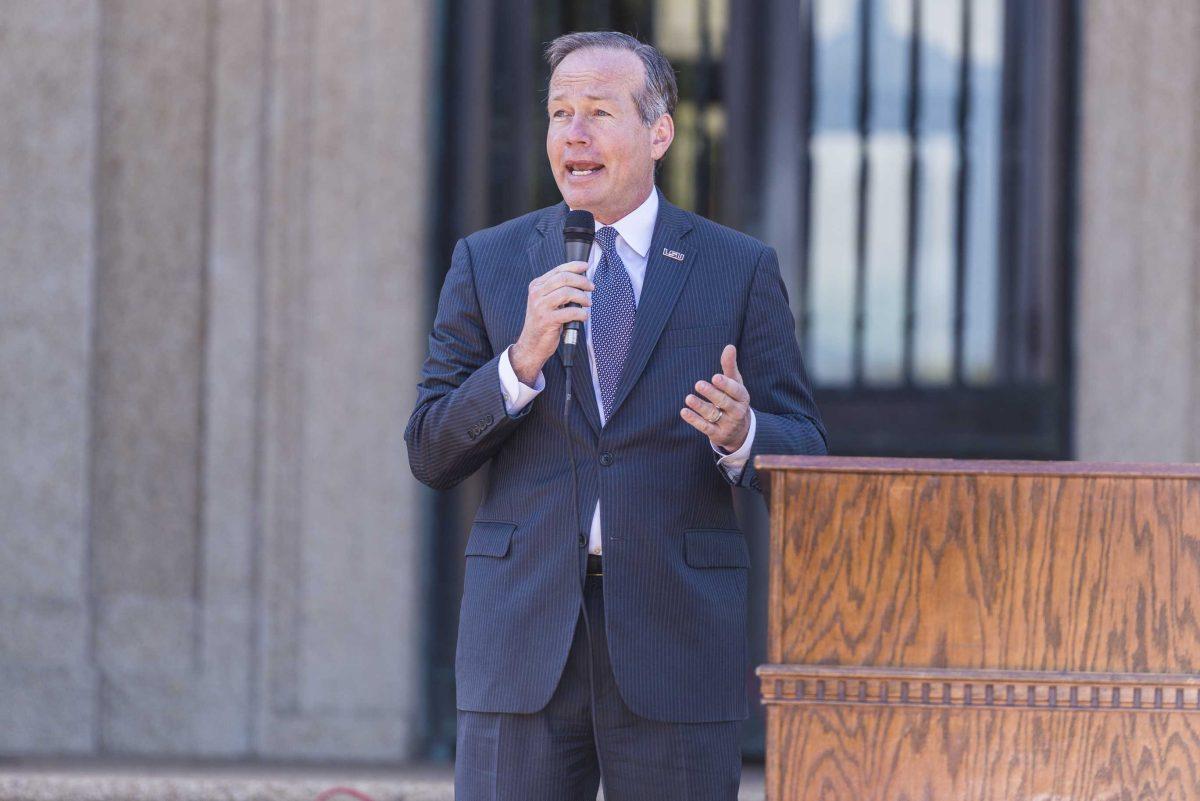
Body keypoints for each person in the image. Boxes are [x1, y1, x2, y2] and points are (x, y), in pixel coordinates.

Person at [406, 30, 827, 801]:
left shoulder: (737, 269)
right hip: (522, 631)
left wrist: (745, 437)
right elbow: (430, 450)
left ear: (658, 131)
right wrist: (517, 365)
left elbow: (809, 456)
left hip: (677, 637)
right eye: (559, 112)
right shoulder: (489, 261)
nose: (573, 133)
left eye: (598, 111)